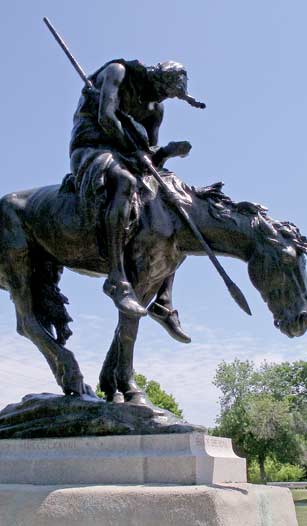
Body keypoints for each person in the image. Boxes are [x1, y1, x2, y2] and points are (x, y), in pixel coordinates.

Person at [69, 59, 205, 343]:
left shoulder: (156, 110)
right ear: (155, 78)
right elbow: (106, 117)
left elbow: (150, 153)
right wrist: (136, 151)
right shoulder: (118, 72)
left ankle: (163, 301)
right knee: (124, 181)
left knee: (172, 204)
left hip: (129, 156)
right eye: (163, 91)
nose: (162, 98)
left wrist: (166, 151)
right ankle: (118, 280)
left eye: (169, 96)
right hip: (93, 147)